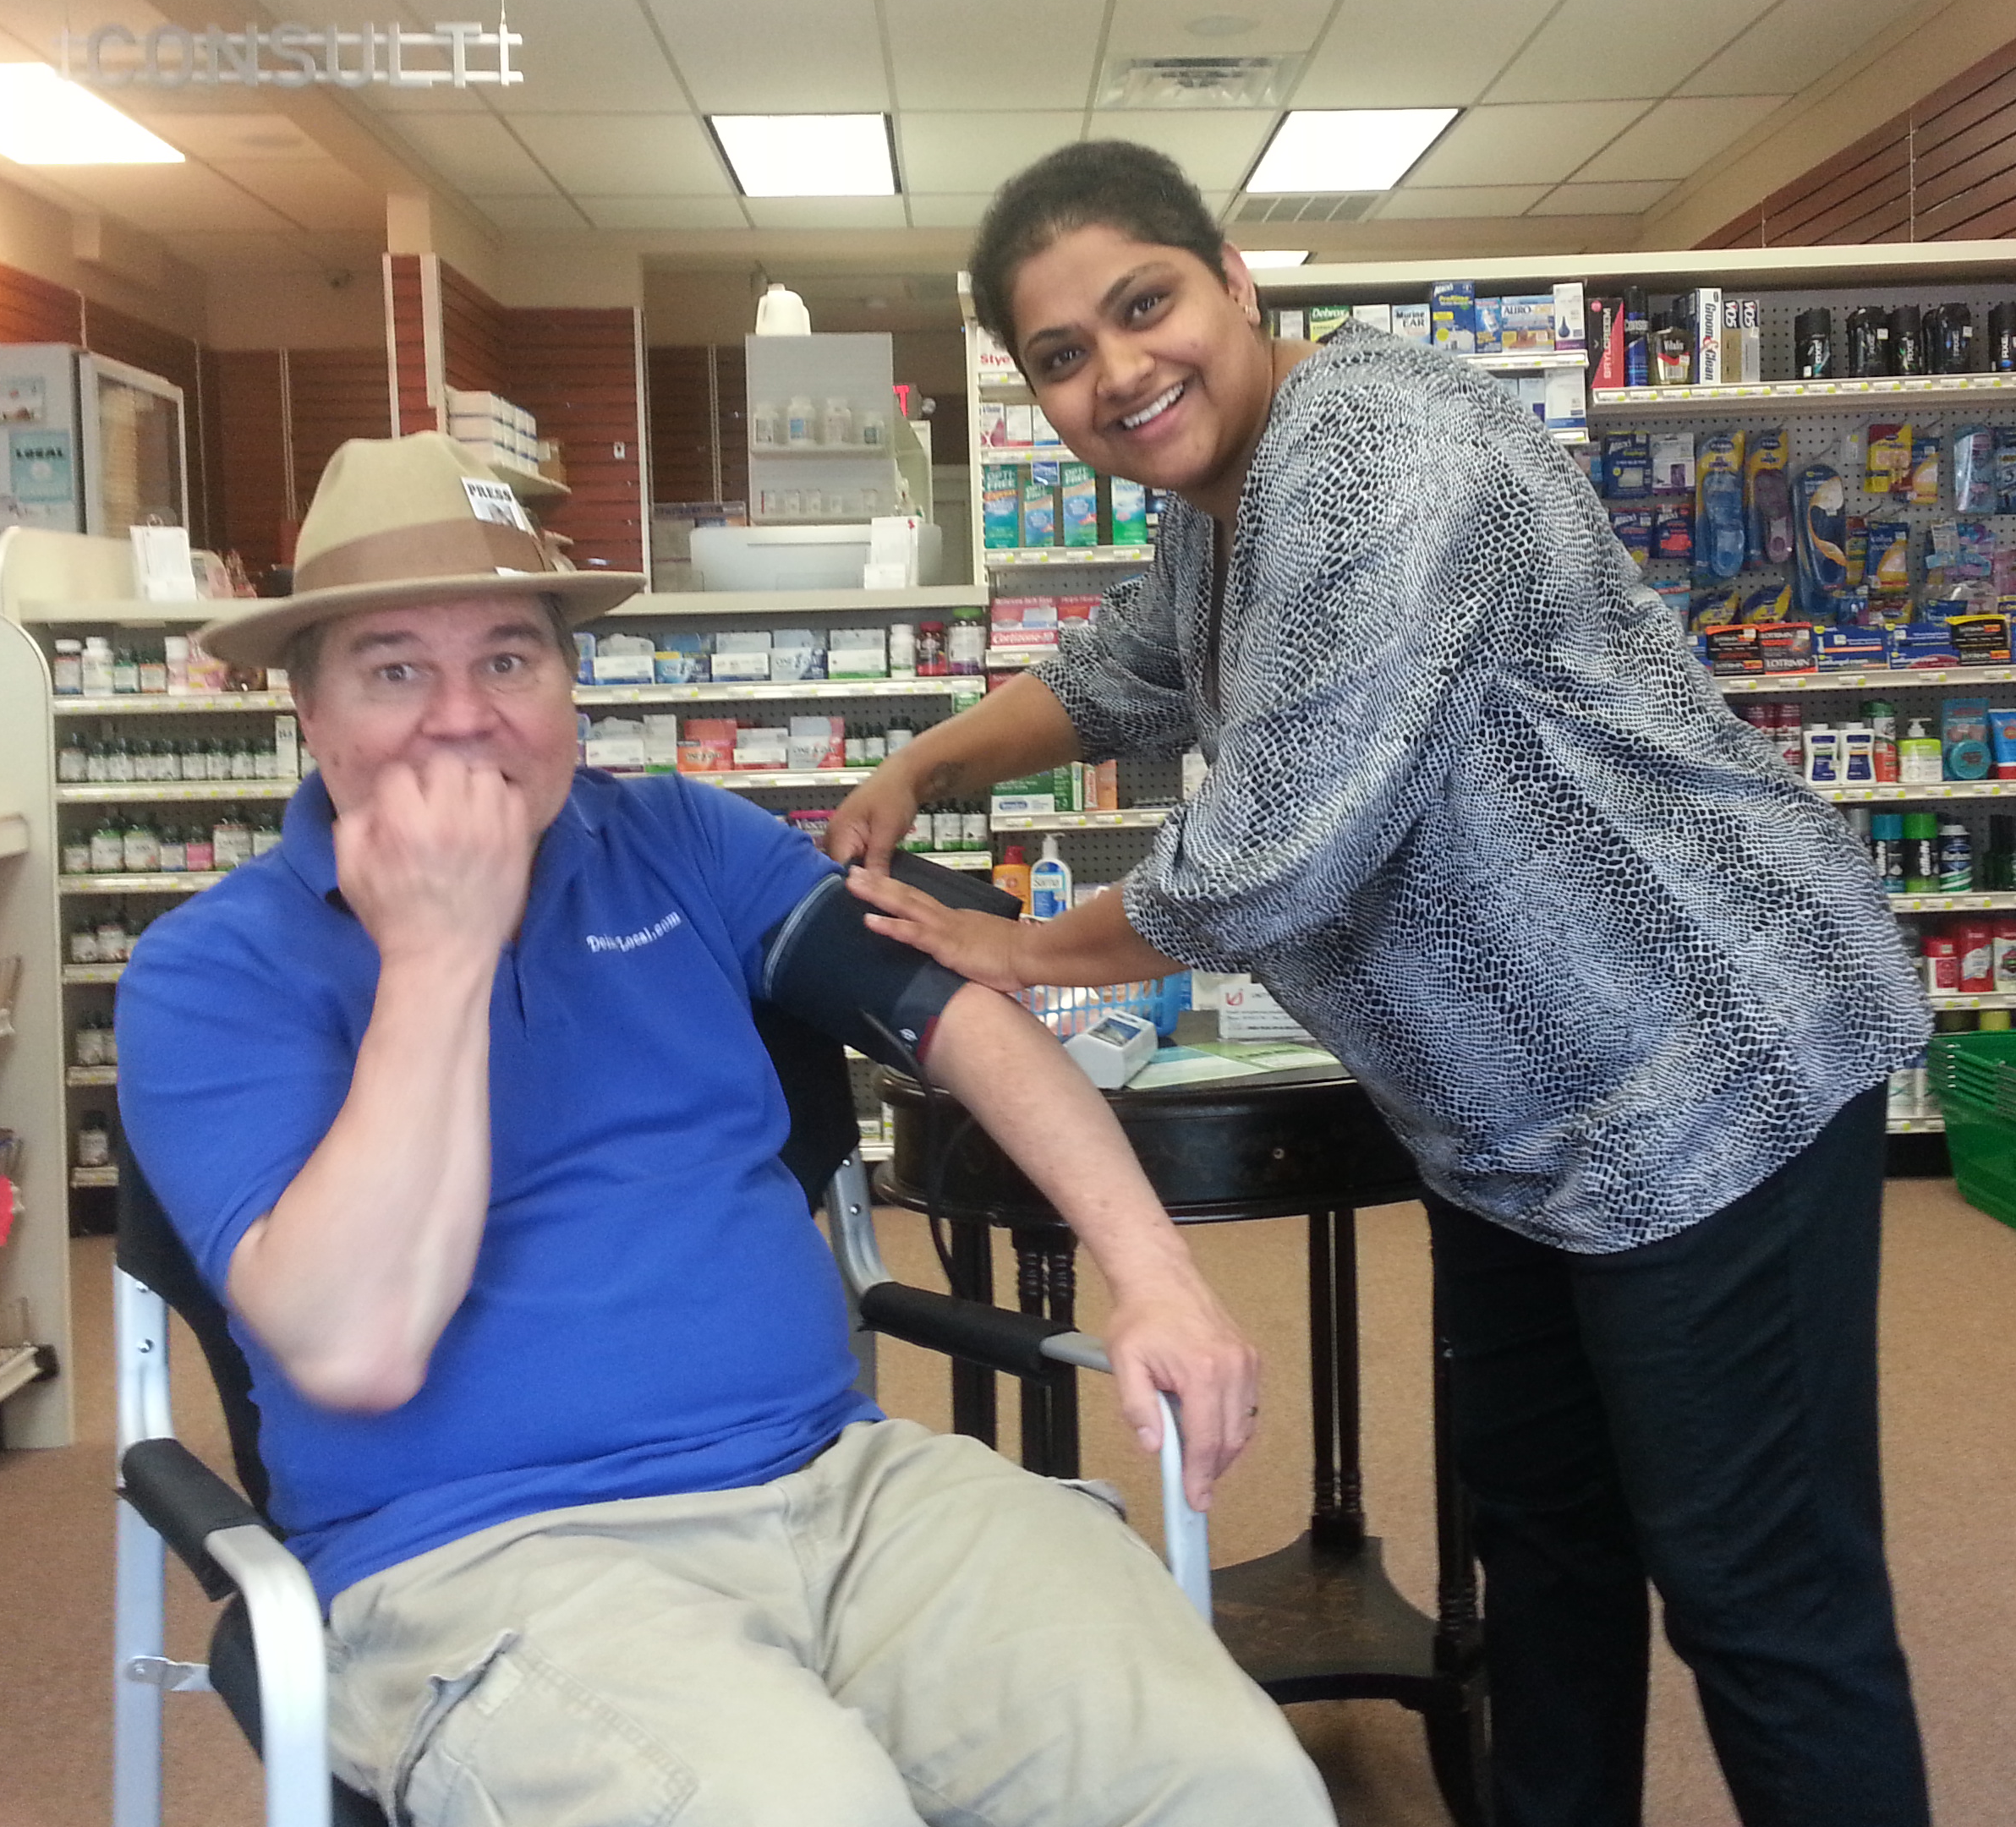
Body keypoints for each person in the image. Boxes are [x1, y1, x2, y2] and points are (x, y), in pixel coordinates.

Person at [826, 142, 1941, 1827]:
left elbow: (1271, 854)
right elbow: (1111, 674)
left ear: (1235, 281)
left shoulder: (1379, 450)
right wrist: (922, 768)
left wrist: (1016, 950)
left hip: (1714, 1064)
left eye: (1145, 304)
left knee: (1758, 1594)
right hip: (1514, 1127)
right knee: (1543, 1544)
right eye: (1062, 354)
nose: (1118, 370)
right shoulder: (1219, 515)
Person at [118, 434, 1333, 1827]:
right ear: (308, 708)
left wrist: (1160, 1278)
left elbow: (961, 1018)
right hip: (480, 1559)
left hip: (847, 1488)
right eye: (395, 670)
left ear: (567, 683)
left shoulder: (684, 842)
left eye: (509, 659)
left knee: (1233, 1788)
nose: (464, 718)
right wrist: (439, 952)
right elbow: (356, 1348)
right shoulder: (211, 972)